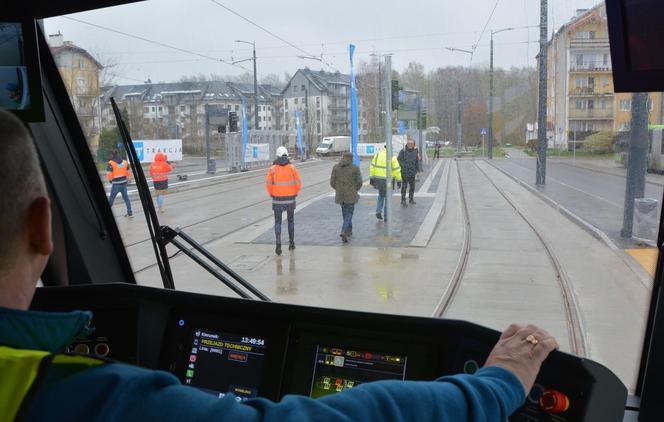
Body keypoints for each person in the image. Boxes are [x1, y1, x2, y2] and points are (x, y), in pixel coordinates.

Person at [0, 109, 559, 420]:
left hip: (286, 210)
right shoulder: (86, 401)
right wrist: (497, 384)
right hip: (291, 210)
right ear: (41, 228)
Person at [266, 146, 301, 255]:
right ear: (287, 155)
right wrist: (295, 193)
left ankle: (278, 244)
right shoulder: (292, 168)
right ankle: (291, 243)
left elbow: (268, 184)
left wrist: (272, 194)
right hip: (290, 199)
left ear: (277, 156)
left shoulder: (272, 169)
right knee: (291, 221)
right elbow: (298, 183)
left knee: (278, 222)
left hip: (277, 199)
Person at [330, 152, 363, 243]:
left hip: (340, 194)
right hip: (351, 194)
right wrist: (355, 189)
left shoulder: (336, 168)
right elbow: (359, 182)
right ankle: (344, 230)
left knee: (345, 213)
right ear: (351, 159)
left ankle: (349, 231)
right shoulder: (355, 168)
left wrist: (338, 189)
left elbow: (332, 182)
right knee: (349, 213)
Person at [369, 144, 401, 220]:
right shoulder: (392, 157)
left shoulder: (377, 155)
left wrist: (371, 178)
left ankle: (378, 211)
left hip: (378, 179)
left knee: (381, 195)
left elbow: (372, 167)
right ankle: (387, 216)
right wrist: (399, 180)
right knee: (388, 198)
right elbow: (396, 170)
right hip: (388, 180)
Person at [107, 149, 133, 217]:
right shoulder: (125, 162)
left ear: (112, 155)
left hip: (116, 184)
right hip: (124, 183)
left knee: (111, 198)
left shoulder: (111, 163)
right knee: (126, 199)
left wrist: (110, 180)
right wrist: (129, 179)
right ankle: (130, 213)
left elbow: (109, 173)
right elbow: (128, 172)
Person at [397, 138, 422, 206]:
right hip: (405, 172)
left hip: (412, 172)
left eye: (411, 143)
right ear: (407, 144)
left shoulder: (416, 151)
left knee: (412, 187)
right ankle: (403, 200)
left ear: (414, 144)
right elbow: (398, 160)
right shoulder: (403, 151)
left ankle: (411, 199)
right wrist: (404, 166)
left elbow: (417, 161)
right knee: (404, 187)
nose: (410, 145)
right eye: (409, 143)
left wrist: (418, 170)